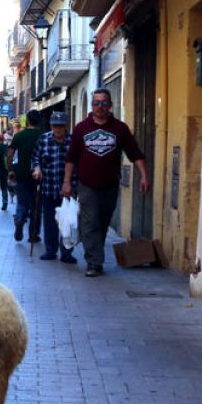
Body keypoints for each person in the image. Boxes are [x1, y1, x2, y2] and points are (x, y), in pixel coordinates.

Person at [63, 89, 148, 277]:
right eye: (96, 103)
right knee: (89, 222)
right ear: (91, 106)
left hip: (110, 185)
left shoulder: (120, 128)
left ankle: (95, 256)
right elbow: (71, 158)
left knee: (102, 223)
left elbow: (135, 153)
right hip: (87, 185)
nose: (99, 107)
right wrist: (67, 182)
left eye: (103, 103)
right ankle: (94, 263)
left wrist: (144, 175)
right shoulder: (81, 128)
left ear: (110, 105)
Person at [32, 112, 74, 262]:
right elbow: (35, 157)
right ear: (51, 126)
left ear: (66, 126)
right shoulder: (43, 139)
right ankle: (50, 250)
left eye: (61, 126)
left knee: (67, 222)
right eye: (55, 126)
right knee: (49, 221)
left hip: (68, 190)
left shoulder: (73, 141)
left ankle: (67, 253)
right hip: (48, 188)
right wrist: (36, 168)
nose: (58, 129)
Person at [8, 109, 43, 243]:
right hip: (39, 175)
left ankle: (19, 219)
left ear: (27, 120)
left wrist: (11, 171)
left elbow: (10, 155)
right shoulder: (43, 136)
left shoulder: (19, 136)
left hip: (21, 174)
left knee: (22, 202)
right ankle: (33, 234)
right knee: (36, 205)